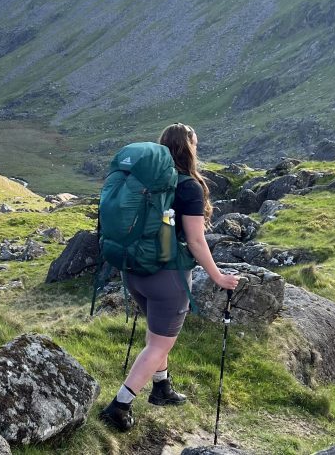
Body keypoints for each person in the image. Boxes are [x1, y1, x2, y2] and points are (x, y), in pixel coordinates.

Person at [99, 123, 241, 432]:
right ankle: (119, 406)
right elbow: (195, 240)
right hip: (168, 277)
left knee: (156, 335)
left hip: (134, 272)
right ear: (190, 147)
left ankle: (162, 389)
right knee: (160, 345)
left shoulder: (145, 182)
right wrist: (217, 276)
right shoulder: (188, 186)